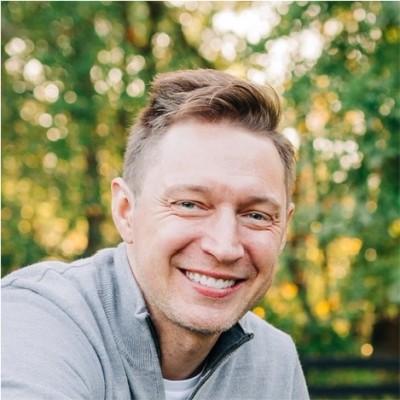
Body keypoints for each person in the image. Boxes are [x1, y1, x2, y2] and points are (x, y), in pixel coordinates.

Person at [2, 69, 309, 400]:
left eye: (256, 215)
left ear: (284, 228)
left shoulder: (275, 363)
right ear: (126, 211)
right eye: (189, 204)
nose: (224, 247)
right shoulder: (35, 320)